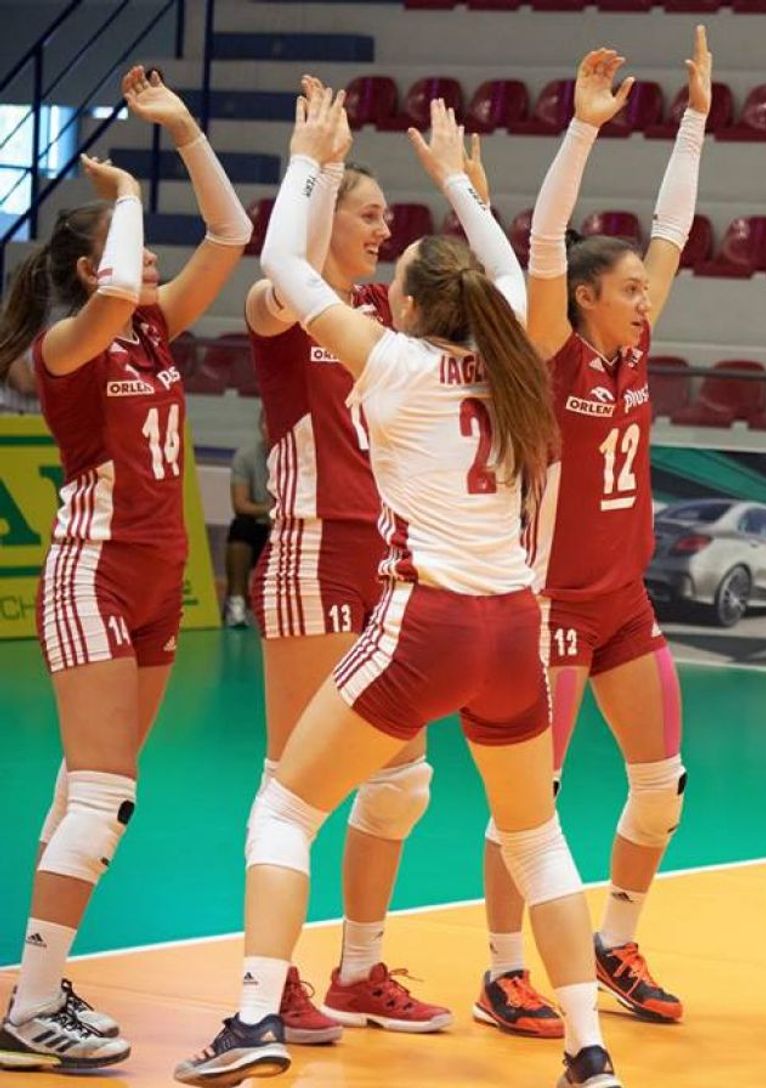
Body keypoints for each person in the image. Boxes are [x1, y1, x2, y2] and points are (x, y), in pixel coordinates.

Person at [176, 93, 621, 1088]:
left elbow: (283, 264)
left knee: (283, 809)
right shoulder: (515, 365)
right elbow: (512, 272)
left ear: (411, 305)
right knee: (537, 837)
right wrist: (458, 183)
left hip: (428, 619)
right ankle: (588, 1048)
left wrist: (306, 158)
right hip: (516, 626)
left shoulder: (392, 362)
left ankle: (253, 1015)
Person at [0, 66, 251, 1071]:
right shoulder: (70, 344)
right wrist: (130, 195)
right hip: (93, 575)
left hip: (155, 583)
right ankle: (31, 1007)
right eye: (133, 247)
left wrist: (184, 130)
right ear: (93, 262)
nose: (151, 261)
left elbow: (230, 234)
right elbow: (110, 291)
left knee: (90, 789)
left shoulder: (149, 328)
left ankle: (37, 985)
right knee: (103, 793)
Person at [476, 32, 710, 1034]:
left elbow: (673, 229)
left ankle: (617, 940)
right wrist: (582, 128)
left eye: (644, 291)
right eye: (628, 289)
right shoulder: (555, 355)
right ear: (584, 298)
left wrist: (696, 119)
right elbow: (547, 238)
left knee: (662, 789)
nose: (645, 297)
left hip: (623, 600)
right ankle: (501, 969)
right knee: (531, 802)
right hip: (549, 607)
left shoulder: (635, 350)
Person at [241, 75, 456, 1040]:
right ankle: (269, 981)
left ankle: (361, 970)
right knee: (293, 785)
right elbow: (282, 277)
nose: (384, 227)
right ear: (329, 217)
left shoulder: (379, 309)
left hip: (391, 563)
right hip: (310, 552)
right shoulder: (282, 306)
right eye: (370, 214)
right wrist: (319, 169)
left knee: (402, 779)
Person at [225, 410, 272, 629]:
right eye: (265, 423)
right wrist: (270, 511)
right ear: (260, 426)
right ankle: (237, 601)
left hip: (288, 525)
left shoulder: (300, 457)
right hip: (260, 523)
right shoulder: (246, 457)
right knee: (240, 528)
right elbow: (240, 504)